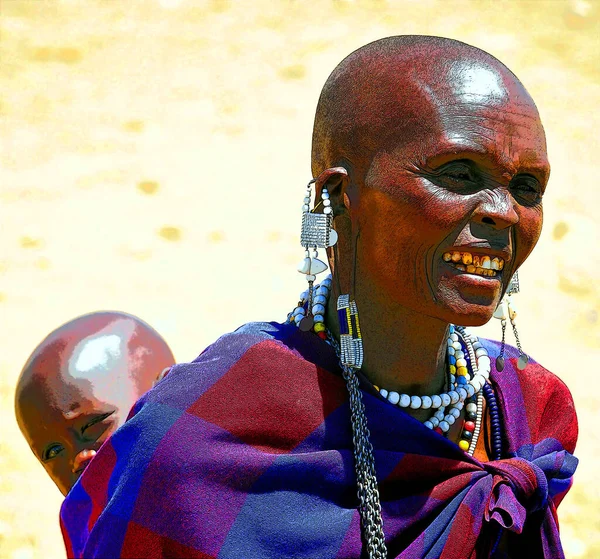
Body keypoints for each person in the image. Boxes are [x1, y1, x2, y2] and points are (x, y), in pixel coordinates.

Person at [59, 36, 577, 558]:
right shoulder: (199, 442)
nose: (505, 212)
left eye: (527, 187)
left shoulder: (527, 409)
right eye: (460, 173)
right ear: (336, 197)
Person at [15, 311, 175, 496]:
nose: (79, 459)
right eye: (54, 451)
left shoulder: (210, 504)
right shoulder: (85, 523)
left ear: (167, 390)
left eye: (93, 425)